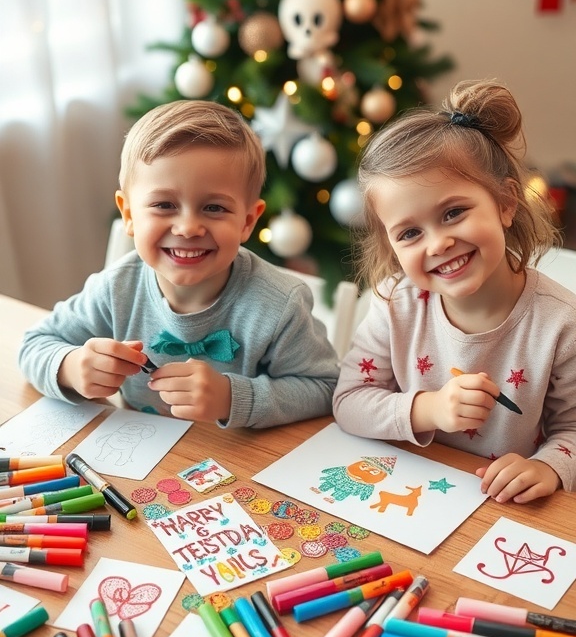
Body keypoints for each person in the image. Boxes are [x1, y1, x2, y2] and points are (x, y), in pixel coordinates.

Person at [19, 100, 339, 428]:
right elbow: (34, 345)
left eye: (214, 208)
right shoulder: (116, 288)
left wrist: (232, 398)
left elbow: (325, 387)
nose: (187, 228)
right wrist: (71, 367)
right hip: (142, 462)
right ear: (129, 215)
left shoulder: (279, 304)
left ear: (247, 222)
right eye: (164, 204)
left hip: (241, 465)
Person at [333, 79, 576, 503]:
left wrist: (547, 467)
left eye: (453, 212)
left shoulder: (561, 324)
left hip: (502, 511)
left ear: (505, 203)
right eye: (409, 232)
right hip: (412, 497)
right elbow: (350, 401)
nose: (437, 243)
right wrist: (430, 409)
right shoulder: (395, 303)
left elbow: (572, 430)